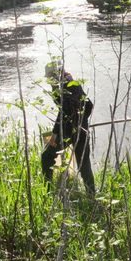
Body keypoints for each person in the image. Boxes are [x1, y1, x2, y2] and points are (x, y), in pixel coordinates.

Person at [41, 61, 95, 195]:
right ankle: (92, 195)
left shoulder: (61, 86)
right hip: (81, 130)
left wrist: (54, 134)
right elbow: (89, 105)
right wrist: (82, 122)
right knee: (84, 164)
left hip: (67, 132)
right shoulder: (73, 82)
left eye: (49, 76)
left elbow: (63, 111)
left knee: (46, 156)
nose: (48, 80)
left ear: (55, 74)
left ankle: (48, 190)